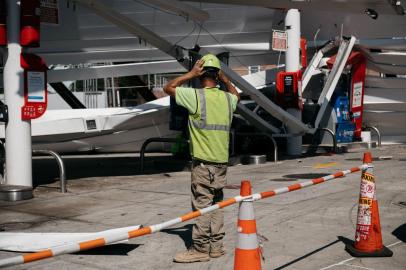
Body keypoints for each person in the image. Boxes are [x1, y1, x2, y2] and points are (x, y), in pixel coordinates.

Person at [164, 54, 240, 263]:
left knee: (202, 206)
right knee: (216, 204)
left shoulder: (196, 96)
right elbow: (236, 96)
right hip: (221, 163)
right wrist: (225, 80)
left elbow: (168, 88)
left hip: (203, 163)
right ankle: (216, 247)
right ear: (217, 75)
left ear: (200, 75)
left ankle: (200, 249)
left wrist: (189, 73)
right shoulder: (227, 99)